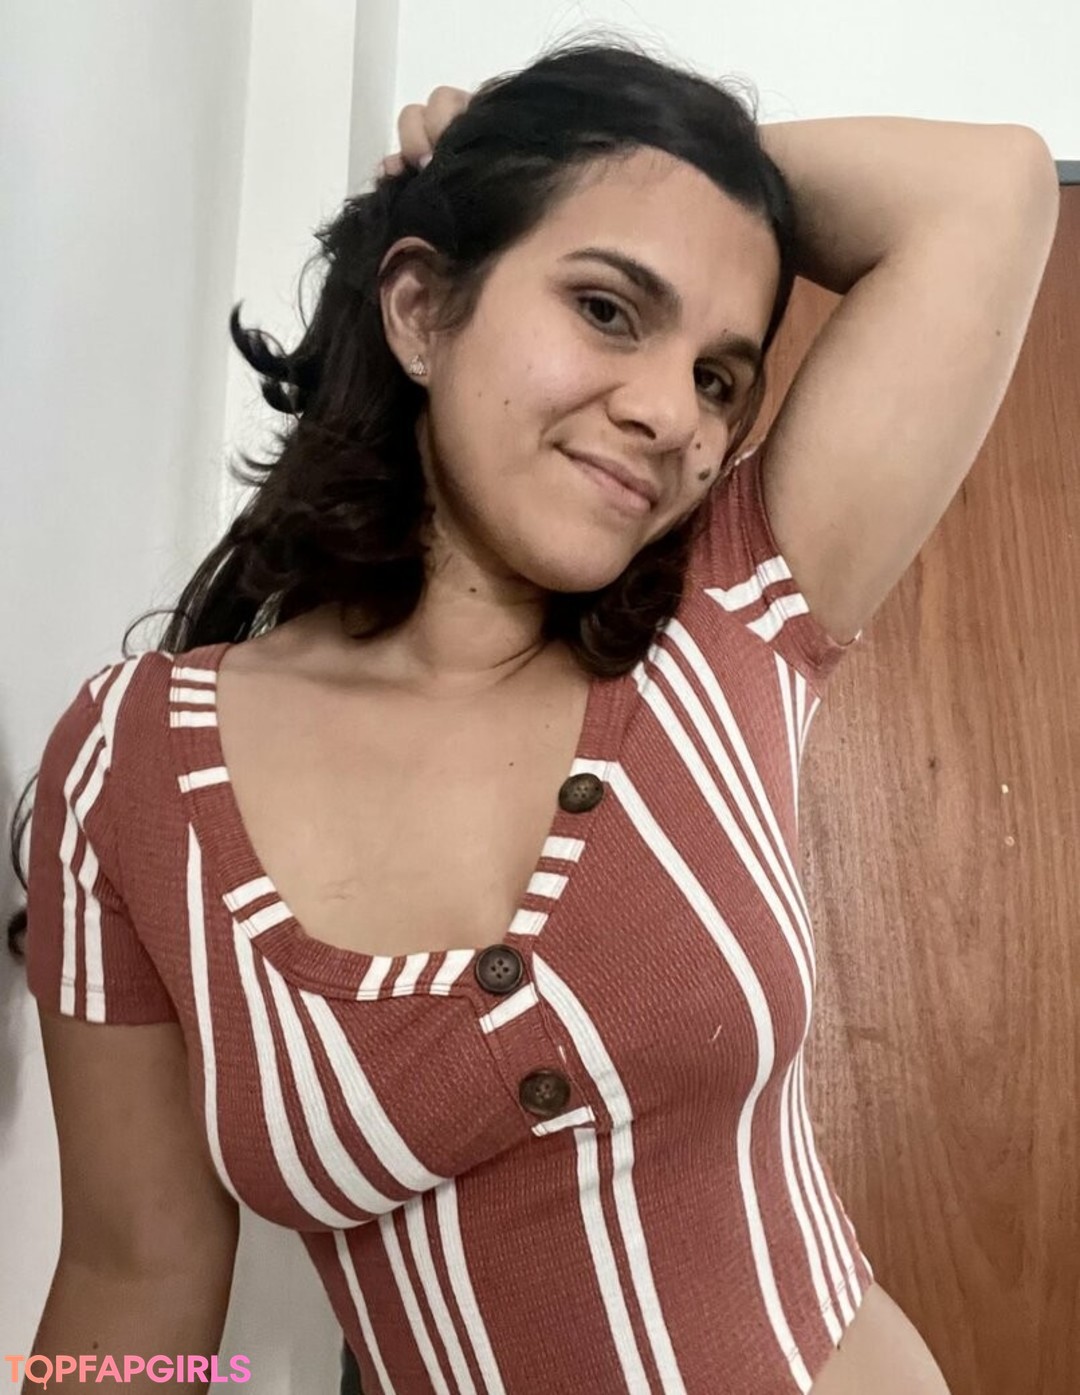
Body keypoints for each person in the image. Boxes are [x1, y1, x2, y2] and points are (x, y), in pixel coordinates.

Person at [9, 35, 1058, 1395]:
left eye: (718, 377)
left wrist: (636, 172)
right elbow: (131, 1280)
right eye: (609, 308)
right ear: (420, 309)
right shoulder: (133, 771)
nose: (670, 414)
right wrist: (519, 167)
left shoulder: (733, 611)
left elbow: (995, 190)